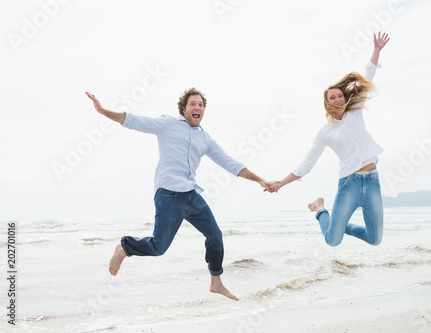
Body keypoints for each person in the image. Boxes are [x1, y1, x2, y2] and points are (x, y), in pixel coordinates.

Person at [86, 88, 273, 301]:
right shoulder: (168, 124)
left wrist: (260, 180)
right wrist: (103, 111)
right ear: (184, 109)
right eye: (193, 104)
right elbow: (135, 120)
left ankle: (216, 282)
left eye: (201, 105)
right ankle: (125, 248)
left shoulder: (205, 138)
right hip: (168, 193)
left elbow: (230, 163)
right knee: (158, 248)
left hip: (191, 195)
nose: (197, 107)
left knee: (215, 236)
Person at [268, 32, 390, 247]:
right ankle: (320, 209)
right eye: (332, 97)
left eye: (340, 96)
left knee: (375, 239)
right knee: (332, 240)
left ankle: (339, 226)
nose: (337, 99)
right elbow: (307, 164)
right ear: (327, 103)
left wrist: (377, 50)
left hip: (372, 181)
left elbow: (367, 76)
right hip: (349, 184)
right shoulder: (325, 132)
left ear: (344, 98)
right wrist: (280, 183)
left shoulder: (356, 112)